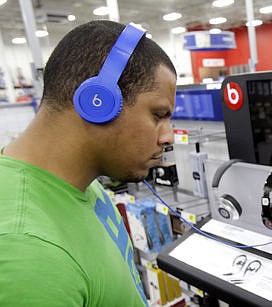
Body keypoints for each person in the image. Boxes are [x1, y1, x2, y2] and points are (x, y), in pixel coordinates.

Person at [0, 20, 176, 306]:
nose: (168, 137)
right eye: (159, 115)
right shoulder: (30, 253)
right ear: (98, 101)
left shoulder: (76, 182)